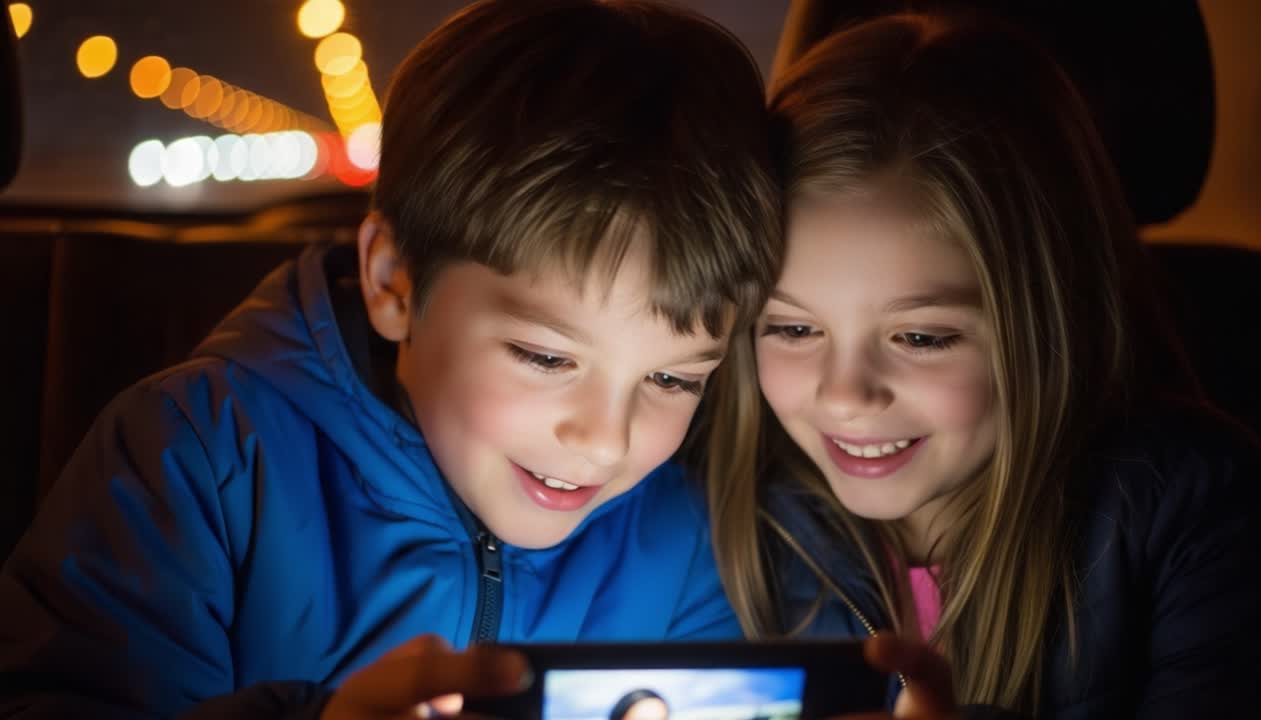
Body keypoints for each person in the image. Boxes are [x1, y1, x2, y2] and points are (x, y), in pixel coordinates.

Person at [0, 1, 782, 717]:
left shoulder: (681, 539)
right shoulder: (197, 461)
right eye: (546, 358)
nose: (607, 442)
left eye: (672, 378)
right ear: (392, 283)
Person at [698, 11, 1261, 719]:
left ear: (1045, 320)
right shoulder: (718, 518)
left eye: (920, 338)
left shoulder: (1195, 517)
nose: (845, 395)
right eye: (792, 327)